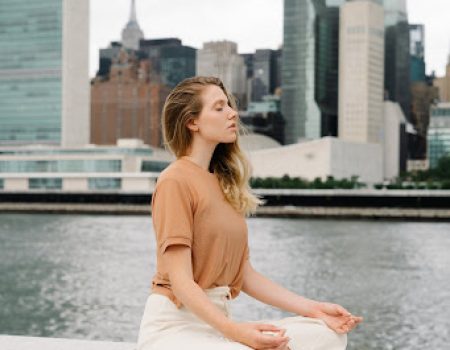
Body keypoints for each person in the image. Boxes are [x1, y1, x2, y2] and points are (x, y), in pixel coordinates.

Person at [136, 76, 362, 350]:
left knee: (328, 334)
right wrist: (236, 333)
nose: (233, 113)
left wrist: (314, 309)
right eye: (219, 108)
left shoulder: (223, 183)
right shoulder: (174, 180)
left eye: (229, 105)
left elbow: (244, 275)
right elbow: (181, 281)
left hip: (218, 324)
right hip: (173, 328)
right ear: (192, 122)